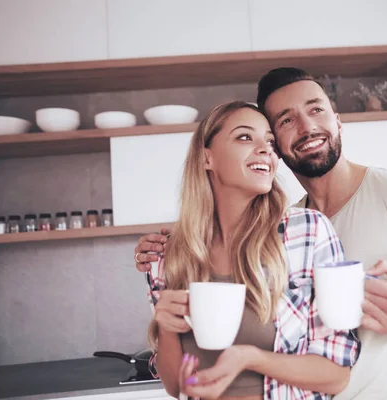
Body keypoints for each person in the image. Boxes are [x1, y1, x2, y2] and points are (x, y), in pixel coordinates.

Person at [136, 68, 387, 400]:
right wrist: (172, 251)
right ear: (277, 148)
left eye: (316, 109)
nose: (306, 126)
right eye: (285, 121)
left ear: (337, 120)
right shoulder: (285, 227)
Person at [143, 101, 359, 400]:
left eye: (270, 142)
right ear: (207, 158)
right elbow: (174, 386)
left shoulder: (307, 233)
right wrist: (166, 328)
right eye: (245, 137)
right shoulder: (169, 254)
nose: (266, 150)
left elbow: (336, 376)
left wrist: (251, 358)